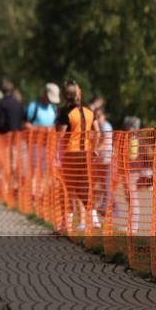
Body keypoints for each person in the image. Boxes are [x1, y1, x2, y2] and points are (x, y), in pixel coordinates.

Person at [55, 80, 100, 231]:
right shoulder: (89, 112)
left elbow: (60, 136)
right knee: (83, 189)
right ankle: (94, 219)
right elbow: (98, 132)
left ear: (65, 96)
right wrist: (95, 148)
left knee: (67, 190)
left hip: (70, 154)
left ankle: (65, 224)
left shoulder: (65, 113)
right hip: (85, 154)